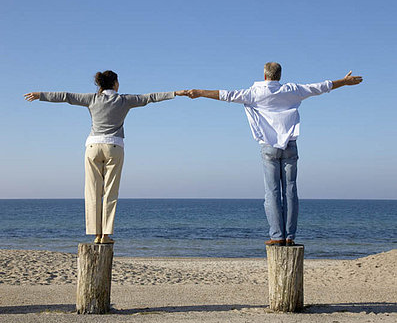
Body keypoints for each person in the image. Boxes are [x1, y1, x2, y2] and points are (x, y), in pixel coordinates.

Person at [186, 63, 363, 246]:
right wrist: (344, 81)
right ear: (279, 76)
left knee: (272, 192)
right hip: (290, 145)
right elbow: (321, 87)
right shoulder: (292, 90)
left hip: (269, 148)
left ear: (264, 76)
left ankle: (277, 236)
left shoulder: (254, 93)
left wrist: (199, 92)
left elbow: (225, 95)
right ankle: (289, 236)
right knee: (291, 191)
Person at [24, 71, 187, 244]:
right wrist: (175, 93)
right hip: (114, 147)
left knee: (92, 191)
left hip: (93, 147)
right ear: (115, 83)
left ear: (100, 84)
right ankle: (106, 235)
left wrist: (40, 95)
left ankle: (95, 234)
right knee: (110, 191)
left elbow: (65, 96)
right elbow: (150, 98)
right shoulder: (124, 100)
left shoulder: (92, 99)